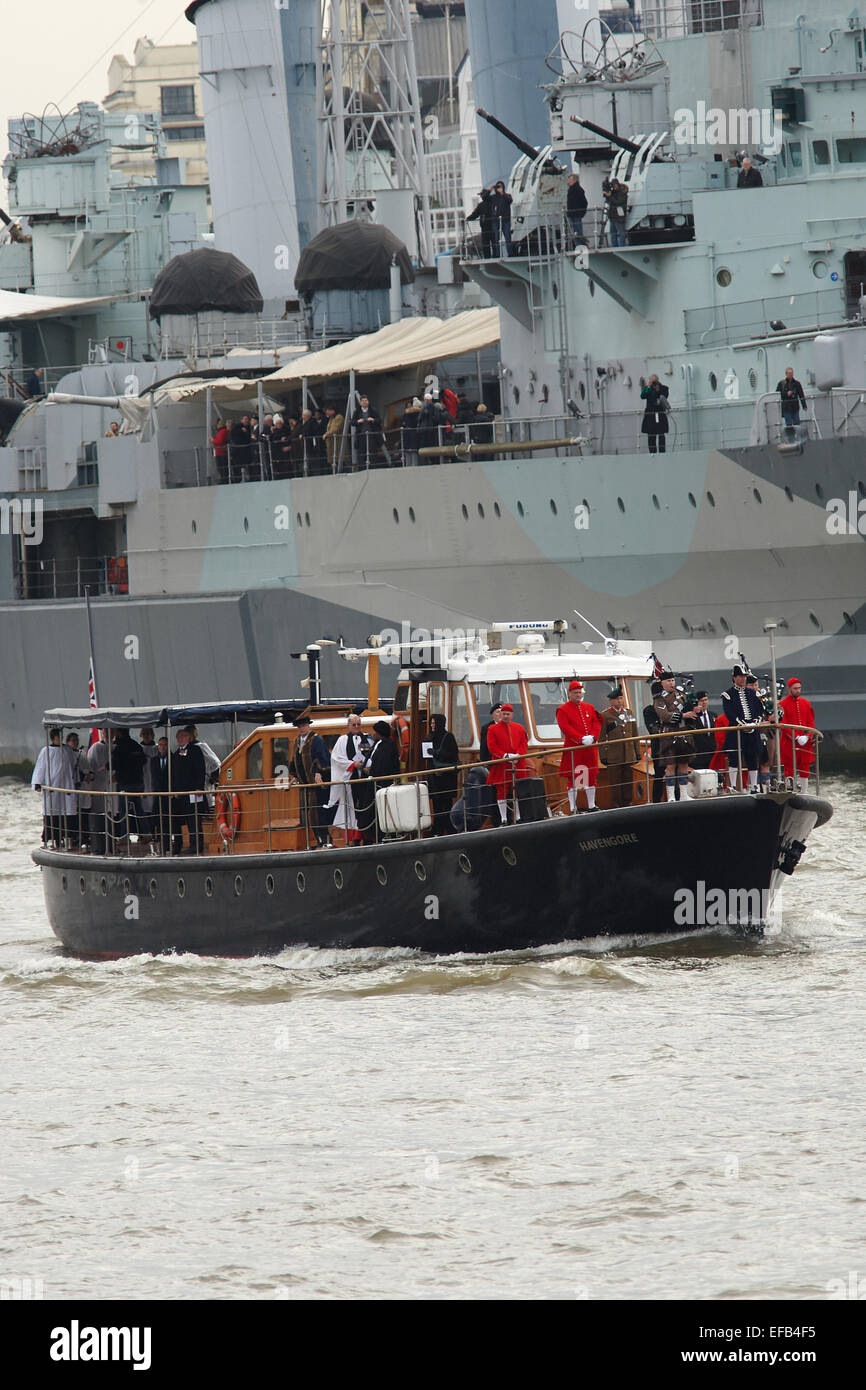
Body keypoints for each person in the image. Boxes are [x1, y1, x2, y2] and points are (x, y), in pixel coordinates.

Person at [556, 679, 602, 812]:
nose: (578, 695)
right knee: (574, 778)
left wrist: (593, 737)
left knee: (591, 776)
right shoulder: (562, 709)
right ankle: (572, 807)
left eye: (579, 692)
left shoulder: (589, 707)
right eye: (575, 692)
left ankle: (592, 805)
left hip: (589, 748)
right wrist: (580, 739)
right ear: (569, 693)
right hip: (574, 749)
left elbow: (596, 723)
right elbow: (565, 727)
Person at [653, 670, 698, 801]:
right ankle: (671, 796)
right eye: (668, 681)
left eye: (672, 680)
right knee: (670, 765)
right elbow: (664, 715)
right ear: (662, 683)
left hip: (684, 732)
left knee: (684, 764)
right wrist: (684, 715)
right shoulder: (659, 698)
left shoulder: (682, 695)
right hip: (669, 734)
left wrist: (695, 711)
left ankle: (684, 795)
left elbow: (690, 711)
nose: (671, 683)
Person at [290, 714, 332, 848]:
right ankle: (318, 840)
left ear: (308, 725)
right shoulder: (297, 741)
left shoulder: (316, 740)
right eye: (300, 726)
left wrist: (319, 772)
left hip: (316, 785)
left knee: (319, 814)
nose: (302, 728)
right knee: (309, 816)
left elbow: (322, 758)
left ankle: (326, 840)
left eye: (304, 725)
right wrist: (295, 775)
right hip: (304, 785)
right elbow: (294, 760)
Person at [486, 703, 533, 824]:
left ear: (512, 715)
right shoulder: (492, 729)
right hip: (501, 763)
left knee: (517, 790)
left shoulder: (519, 727)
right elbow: (492, 746)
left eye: (508, 714)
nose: (506, 716)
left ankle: (518, 816)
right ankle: (504, 818)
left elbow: (524, 743)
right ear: (500, 714)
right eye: (503, 714)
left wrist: (518, 755)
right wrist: (504, 756)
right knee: (501, 790)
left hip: (517, 762)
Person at [721, 664, 765, 793]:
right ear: (734, 678)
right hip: (736, 731)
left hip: (752, 729)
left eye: (744, 676)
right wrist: (743, 724)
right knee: (734, 757)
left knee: (752, 757)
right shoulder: (727, 695)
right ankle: (733, 786)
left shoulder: (752, 693)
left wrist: (755, 723)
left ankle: (754, 786)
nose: (743, 679)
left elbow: (759, 711)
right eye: (740, 676)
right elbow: (730, 714)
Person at [357, 720, 401, 844]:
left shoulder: (387, 746)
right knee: (368, 812)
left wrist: (370, 771)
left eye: (375, 732)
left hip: (380, 784)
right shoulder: (378, 744)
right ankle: (373, 836)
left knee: (378, 811)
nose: (373, 734)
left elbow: (383, 766)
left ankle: (382, 835)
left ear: (380, 733)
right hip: (372, 783)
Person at [327, 713, 369, 841]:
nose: (356, 727)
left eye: (358, 724)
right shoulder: (342, 740)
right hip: (351, 779)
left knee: (365, 807)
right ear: (348, 726)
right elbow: (336, 758)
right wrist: (352, 764)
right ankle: (354, 838)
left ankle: (367, 836)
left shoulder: (367, 739)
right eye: (354, 725)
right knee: (352, 810)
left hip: (365, 779)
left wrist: (366, 765)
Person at [32, 727, 76, 847]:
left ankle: (67, 838)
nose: (61, 738)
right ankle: (52, 839)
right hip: (52, 786)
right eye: (58, 736)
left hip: (66, 785)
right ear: (53, 738)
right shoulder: (46, 750)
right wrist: (38, 782)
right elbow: (41, 767)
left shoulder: (67, 750)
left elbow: (73, 765)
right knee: (53, 813)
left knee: (66, 813)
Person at [597, 686, 640, 809]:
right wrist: (603, 756)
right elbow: (601, 737)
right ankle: (616, 805)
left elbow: (634, 733)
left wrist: (637, 752)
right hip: (613, 755)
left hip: (628, 753)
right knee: (615, 782)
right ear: (611, 701)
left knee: (628, 780)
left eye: (621, 698)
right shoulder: (605, 715)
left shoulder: (628, 712)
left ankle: (628, 803)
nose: (619, 701)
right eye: (616, 699)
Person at [171, 726, 207, 854]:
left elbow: (201, 770)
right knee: (185, 820)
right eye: (178, 737)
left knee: (194, 820)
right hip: (181, 794)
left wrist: (199, 787)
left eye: (183, 737)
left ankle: (197, 845)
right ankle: (183, 845)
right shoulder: (175, 754)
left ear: (188, 737)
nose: (180, 739)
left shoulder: (195, 750)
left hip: (193, 792)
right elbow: (174, 775)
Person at [779, 676, 816, 791]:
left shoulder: (806, 703)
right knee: (789, 767)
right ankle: (789, 790)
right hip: (789, 742)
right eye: (795, 688)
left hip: (805, 742)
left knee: (805, 767)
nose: (798, 691)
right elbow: (783, 725)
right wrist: (795, 737)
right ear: (789, 689)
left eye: (799, 688)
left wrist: (808, 736)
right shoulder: (782, 704)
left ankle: (804, 791)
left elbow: (811, 722)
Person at [427, 712, 460, 835]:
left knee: (446, 804)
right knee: (436, 804)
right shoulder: (430, 737)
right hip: (434, 777)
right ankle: (438, 829)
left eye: (434, 723)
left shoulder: (448, 737)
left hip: (446, 777)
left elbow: (452, 755)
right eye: (431, 723)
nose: (432, 726)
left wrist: (435, 753)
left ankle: (448, 828)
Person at [112, 727, 146, 844]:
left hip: (125, 783)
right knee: (139, 810)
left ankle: (124, 836)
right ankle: (146, 834)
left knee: (123, 811)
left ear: (119, 733)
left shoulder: (119, 746)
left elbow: (115, 762)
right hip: (138, 782)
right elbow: (143, 761)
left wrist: (107, 767)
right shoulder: (136, 745)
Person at [86, 730, 113, 854]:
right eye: (105, 732)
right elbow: (93, 768)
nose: (107, 734)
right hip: (99, 788)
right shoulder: (96, 748)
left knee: (113, 815)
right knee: (100, 817)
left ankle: (114, 841)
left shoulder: (116, 747)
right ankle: (99, 843)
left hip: (113, 788)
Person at [64, 731, 89, 848]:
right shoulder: (65, 755)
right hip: (70, 790)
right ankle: (72, 837)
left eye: (76, 740)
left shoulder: (81, 754)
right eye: (73, 740)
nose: (75, 743)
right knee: (71, 816)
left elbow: (88, 770)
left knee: (83, 815)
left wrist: (88, 776)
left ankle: (84, 837)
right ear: (67, 742)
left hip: (82, 788)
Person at [643, 681, 666, 803]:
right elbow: (653, 729)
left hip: (674, 746)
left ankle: (676, 798)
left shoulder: (672, 708)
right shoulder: (649, 711)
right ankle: (656, 802)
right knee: (659, 776)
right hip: (659, 749)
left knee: (676, 774)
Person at [138, 726, 159, 846]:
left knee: (154, 810)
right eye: (144, 733)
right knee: (143, 810)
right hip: (143, 783)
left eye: (148, 734)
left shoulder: (157, 748)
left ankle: (155, 834)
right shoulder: (139, 748)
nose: (146, 736)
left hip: (154, 782)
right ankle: (144, 834)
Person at [351, 395, 383, 467]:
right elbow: (352, 422)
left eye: (366, 401)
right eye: (363, 401)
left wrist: (373, 420)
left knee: (372, 451)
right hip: (361, 435)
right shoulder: (357, 412)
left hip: (372, 435)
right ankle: (362, 467)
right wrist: (358, 421)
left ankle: (373, 466)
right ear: (360, 403)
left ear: (368, 402)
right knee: (362, 452)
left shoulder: (373, 410)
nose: (364, 402)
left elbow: (380, 420)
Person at [641, 374, 670, 453]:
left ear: (658, 380)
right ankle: (652, 452)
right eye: (651, 381)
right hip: (650, 415)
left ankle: (662, 452)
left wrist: (658, 389)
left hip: (660, 414)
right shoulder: (648, 389)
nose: (653, 383)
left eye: (654, 381)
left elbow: (664, 396)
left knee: (661, 434)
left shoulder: (664, 388)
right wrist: (649, 387)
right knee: (651, 435)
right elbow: (643, 396)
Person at [689, 692, 716, 770]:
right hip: (699, 754)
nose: (704, 703)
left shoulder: (713, 715)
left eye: (706, 700)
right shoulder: (693, 717)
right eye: (701, 701)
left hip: (712, 752)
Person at [467, 187, 495, 258]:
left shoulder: (492, 202)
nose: (481, 196)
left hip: (491, 226)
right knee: (488, 243)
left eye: (481, 195)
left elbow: (474, 214)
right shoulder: (482, 205)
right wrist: (468, 218)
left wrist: (468, 218)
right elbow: (475, 214)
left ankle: (491, 256)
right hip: (486, 226)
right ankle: (491, 256)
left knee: (492, 243)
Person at [777, 367, 806, 434]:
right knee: (789, 425)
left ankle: (798, 439)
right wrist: (786, 394)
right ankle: (790, 440)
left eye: (791, 373)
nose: (791, 374)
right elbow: (778, 394)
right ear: (786, 374)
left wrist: (804, 405)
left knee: (797, 424)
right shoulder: (781, 384)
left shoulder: (797, 383)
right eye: (789, 373)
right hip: (786, 408)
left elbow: (801, 394)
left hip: (795, 407)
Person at [489, 181, 513, 256]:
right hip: (496, 221)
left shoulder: (507, 195)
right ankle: (497, 255)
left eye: (500, 187)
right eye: (498, 187)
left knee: (508, 239)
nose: (499, 188)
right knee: (496, 239)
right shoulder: (493, 197)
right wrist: (490, 189)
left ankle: (510, 254)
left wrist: (502, 193)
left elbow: (510, 201)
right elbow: (484, 197)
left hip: (506, 220)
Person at [229, 415, 252, 482]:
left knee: (245, 465)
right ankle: (238, 479)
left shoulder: (248, 427)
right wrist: (242, 431)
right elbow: (233, 433)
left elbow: (248, 438)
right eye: (245, 419)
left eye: (247, 419)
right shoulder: (237, 427)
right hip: (237, 451)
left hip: (245, 451)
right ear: (241, 420)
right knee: (238, 467)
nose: (246, 420)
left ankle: (246, 478)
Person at [566, 173, 588, 243]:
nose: (569, 181)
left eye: (570, 180)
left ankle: (580, 245)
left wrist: (581, 212)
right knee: (575, 232)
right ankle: (578, 244)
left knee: (578, 231)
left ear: (574, 181)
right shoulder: (572, 189)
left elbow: (584, 202)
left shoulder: (578, 190)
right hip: (572, 214)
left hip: (576, 214)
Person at [400, 397, 422, 464]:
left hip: (407, 436)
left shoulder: (406, 415)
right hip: (415, 435)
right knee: (414, 453)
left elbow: (403, 423)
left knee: (408, 454)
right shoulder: (419, 413)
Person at [606, 179, 628, 246]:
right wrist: (608, 196)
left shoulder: (622, 193)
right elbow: (609, 202)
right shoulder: (613, 192)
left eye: (615, 185)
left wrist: (610, 196)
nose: (614, 186)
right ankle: (614, 247)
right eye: (613, 185)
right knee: (613, 234)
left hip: (619, 217)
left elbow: (618, 202)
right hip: (613, 216)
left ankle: (621, 247)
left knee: (621, 233)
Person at [323, 404, 345, 469]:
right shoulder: (331, 418)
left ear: (333, 411)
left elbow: (335, 429)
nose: (327, 413)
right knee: (332, 460)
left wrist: (327, 434)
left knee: (338, 459)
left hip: (337, 442)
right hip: (331, 443)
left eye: (328, 411)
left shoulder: (339, 417)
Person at [211, 419, 230, 483]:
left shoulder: (223, 431)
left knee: (222, 467)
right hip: (220, 452)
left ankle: (224, 479)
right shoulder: (222, 432)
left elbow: (219, 441)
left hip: (221, 453)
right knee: (221, 468)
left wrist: (213, 440)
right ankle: (223, 478)